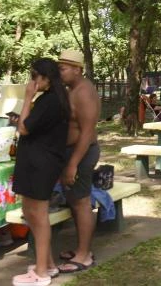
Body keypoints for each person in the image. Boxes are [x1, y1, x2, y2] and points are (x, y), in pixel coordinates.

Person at [12, 58, 70, 286]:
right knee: (29, 210)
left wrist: (27, 98)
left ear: (47, 78)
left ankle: (42, 272)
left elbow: (24, 128)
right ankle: (48, 264)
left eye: (35, 76)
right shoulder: (50, 99)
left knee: (39, 215)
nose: (32, 81)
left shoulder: (51, 101)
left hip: (41, 164)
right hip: (35, 162)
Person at [52, 49, 101, 275]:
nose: (58, 72)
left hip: (81, 153)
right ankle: (81, 248)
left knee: (81, 203)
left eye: (62, 68)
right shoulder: (71, 90)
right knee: (74, 200)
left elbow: (87, 132)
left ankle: (84, 255)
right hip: (71, 153)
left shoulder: (84, 92)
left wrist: (72, 163)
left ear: (76, 69)